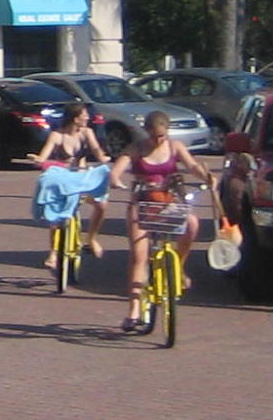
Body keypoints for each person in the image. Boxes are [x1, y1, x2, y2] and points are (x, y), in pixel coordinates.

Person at [116, 115, 221, 335]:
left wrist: (206, 176)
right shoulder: (136, 148)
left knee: (192, 223)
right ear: (147, 132)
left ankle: (178, 269)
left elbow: (192, 165)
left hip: (169, 199)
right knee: (139, 256)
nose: (158, 141)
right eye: (154, 137)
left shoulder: (175, 147)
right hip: (142, 203)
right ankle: (133, 310)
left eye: (162, 136)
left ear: (168, 132)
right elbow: (117, 169)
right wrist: (116, 179)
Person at [27, 102, 110, 291]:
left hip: (81, 177)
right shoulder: (57, 135)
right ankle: (54, 253)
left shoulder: (86, 133)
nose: (87, 118)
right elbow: (45, 154)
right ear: (75, 118)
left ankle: (92, 239)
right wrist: (39, 160)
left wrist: (102, 157)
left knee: (101, 204)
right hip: (64, 179)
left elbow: (96, 150)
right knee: (56, 215)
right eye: (84, 115)